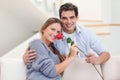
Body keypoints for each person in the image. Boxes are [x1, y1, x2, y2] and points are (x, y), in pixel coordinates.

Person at [23, 3, 110, 65]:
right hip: (62, 72)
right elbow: (41, 51)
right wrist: (25, 58)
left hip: (83, 69)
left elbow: (106, 54)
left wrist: (97, 60)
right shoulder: (54, 35)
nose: (68, 22)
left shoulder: (87, 33)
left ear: (77, 17)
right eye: (64, 18)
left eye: (72, 17)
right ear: (60, 19)